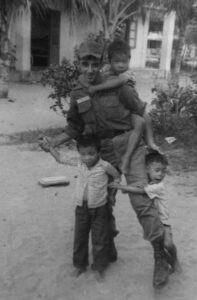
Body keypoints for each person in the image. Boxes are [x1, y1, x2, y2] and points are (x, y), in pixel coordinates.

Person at [39, 38, 170, 288]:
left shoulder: (117, 85)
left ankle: (160, 256)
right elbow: (74, 128)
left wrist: (149, 141)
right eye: (84, 64)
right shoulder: (78, 93)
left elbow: (141, 112)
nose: (89, 70)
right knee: (103, 203)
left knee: (142, 201)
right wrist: (53, 142)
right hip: (104, 152)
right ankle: (108, 251)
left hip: (128, 145)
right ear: (78, 63)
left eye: (94, 64)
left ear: (101, 64)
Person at [45, 134, 121, 280]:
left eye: (91, 154)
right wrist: (50, 148)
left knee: (99, 239)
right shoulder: (79, 162)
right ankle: (80, 266)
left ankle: (99, 268)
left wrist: (112, 194)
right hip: (81, 207)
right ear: (79, 153)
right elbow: (61, 159)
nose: (87, 157)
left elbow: (117, 177)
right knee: (80, 238)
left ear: (98, 152)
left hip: (100, 208)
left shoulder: (105, 166)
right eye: (83, 154)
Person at [81, 39, 161, 174]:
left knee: (143, 119)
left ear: (129, 60)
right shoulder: (105, 70)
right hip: (119, 114)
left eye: (124, 62)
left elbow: (121, 81)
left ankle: (150, 142)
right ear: (109, 61)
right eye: (117, 62)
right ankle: (127, 160)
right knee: (140, 121)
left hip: (133, 104)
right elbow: (86, 78)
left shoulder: (127, 74)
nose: (121, 66)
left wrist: (96, 88)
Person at [109, 150, 181, 274]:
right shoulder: (147, 182)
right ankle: (169, 262)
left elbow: (141, 191)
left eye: (163, 171)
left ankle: (175, 261)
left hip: (164, 220)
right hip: (154, 219)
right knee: (160, 242)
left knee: (168, 244)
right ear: (147, 170)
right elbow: (137, 187)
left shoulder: (159, 186)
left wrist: (121, 187)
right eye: (157, 170)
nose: (161, 174)